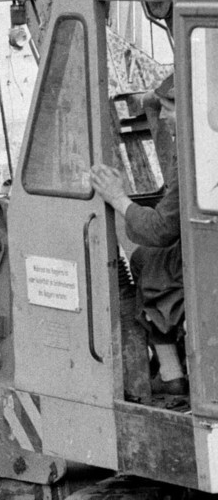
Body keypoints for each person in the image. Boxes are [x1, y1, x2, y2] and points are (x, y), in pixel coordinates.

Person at [91, 74, 185, 395]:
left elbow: (160, 229)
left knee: (147, 263)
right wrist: (148, 98)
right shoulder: (200, 137)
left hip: (199, 259)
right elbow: (153, 102)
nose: (163, 116)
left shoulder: (192, 158)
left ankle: (172, 373)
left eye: (170, 108)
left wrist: (118, 198)